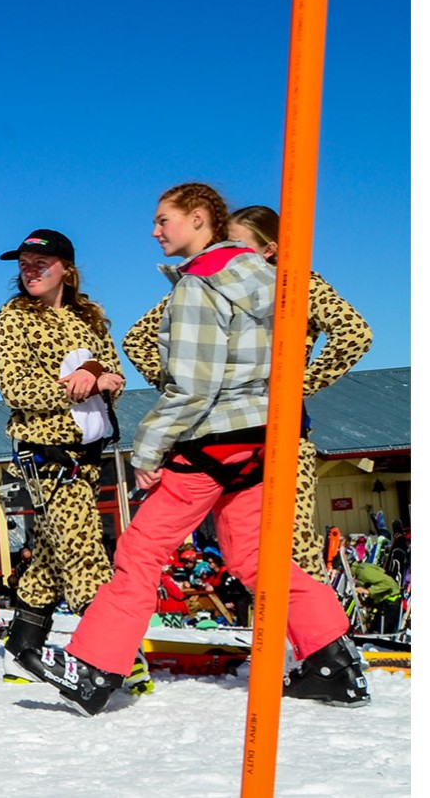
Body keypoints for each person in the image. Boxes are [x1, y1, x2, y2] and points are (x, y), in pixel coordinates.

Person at [20, 183, 368, 715]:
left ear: (200, 219)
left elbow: (193, 387)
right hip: (269, 434)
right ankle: (333, 660)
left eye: (164, 220)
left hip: (215, 438)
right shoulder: (275, 278)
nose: (155, 231)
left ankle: (94, 667)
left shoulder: (199, 286)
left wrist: (148, 451)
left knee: (139, 553)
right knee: (256, 558)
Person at [123, 204, 372, 581]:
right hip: (216, 434)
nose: (227, 252)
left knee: (290, 542)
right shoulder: (209, 280)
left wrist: (296, 386)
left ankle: (320, 637)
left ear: (268, 250)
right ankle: (276, 632)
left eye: (236, 244)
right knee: (244, 547)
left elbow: (354, 334)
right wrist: (187, 382)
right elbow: (137, 339)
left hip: (282, 432)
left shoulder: (296, 283)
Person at [0, 228, 127, 686]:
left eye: (39, 264)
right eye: (23, 264)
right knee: (84, 549)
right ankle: (108, 655)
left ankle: (21, 647)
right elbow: (14, 387)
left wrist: (99, 374)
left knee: (51, 550)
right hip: (45, 452)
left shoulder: (89, 318)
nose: (29, 271)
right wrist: (74, 387)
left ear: (65, 267)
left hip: (89, 450)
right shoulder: (13, 318)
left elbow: (115, 374)